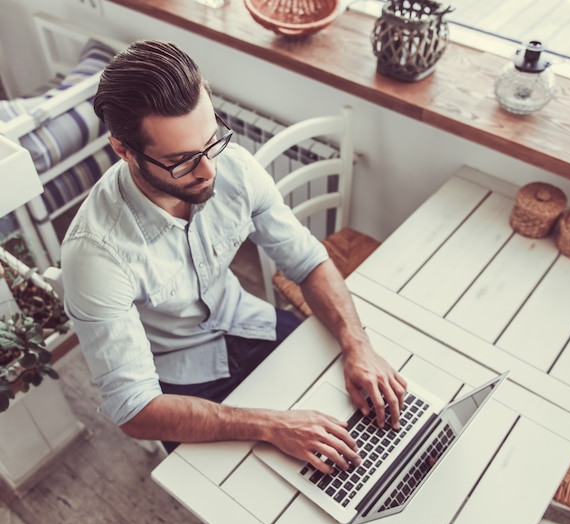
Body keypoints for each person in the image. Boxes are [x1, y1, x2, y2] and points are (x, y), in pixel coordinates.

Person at [61, 39, 406, 474]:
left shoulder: (235, 169)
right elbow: (134, 409)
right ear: (124, 150)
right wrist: (271, 425)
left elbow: (307, 261)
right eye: (183, 162)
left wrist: (359, 346)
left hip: (249, 321)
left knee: (364, 427)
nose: (209, 171)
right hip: (178, 383)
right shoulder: (94, 256)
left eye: (212, 142)